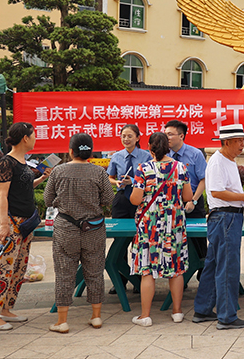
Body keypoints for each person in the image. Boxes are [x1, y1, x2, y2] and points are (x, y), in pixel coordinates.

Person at [44, 133, 114, 333]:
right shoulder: (99, 173)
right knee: (95, 272)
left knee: (64, 273)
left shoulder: (58, 171)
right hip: (94, 229)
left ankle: (62, 321)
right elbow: (109, 199)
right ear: (91, 152)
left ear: (70, 151)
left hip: (65, 228)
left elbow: (47, 199)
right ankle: (96, 316)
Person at [193, 124, 244, 329]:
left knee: (214, 264)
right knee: (228, 267)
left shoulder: (227, 160)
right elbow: (216, 192)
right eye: (239, 141)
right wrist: (243, 197)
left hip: (226, 218)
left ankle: (203, 309)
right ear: (227, 142)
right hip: (225, 218)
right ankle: (227, 316)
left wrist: (243, 198)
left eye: (243, 140)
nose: (242, 145)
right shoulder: (218, 161)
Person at [0, 122, 50, 331]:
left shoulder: (23, 161)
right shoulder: (6, 163)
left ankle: (6, 308)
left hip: (25, 224)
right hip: (11, 223)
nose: (35, 139)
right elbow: (2, 195)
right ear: (25, 138)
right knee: (4, 269)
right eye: (34, 135)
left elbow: (23, 187)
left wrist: (41, 179)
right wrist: (4, 224)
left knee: (19, 269)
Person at [129, 132, 192, 327]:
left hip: (150, 226)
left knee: (148, 269)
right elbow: (187, 196)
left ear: (149, 147)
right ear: (168, 147)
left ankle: (145, 315)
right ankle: (177, 312)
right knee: (176, 269)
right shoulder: (180, 167)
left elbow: (135, 199)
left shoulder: (144, 169)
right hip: (174, 225)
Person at [106, 124, 152, 294]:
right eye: (123, 136)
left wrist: (133, 181)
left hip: (139, 199)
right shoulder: (116, 156)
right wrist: (117, 182)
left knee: (139, 239)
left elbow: (150, 179)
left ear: (138, 138)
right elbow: (110, 177)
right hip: (121, 199)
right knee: (120, 240)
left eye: (130, 136)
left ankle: (139, 279)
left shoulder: (146, 156)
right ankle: (121, 279)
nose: (126, 139)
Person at [165, 119, 208, 272]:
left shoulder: (195, 154)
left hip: (193, 202)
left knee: (198, 242)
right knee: (174, 242)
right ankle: (180, 275)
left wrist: (193, 201)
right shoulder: (164, 155)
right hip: (171, 204)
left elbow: (204, 179)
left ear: (181, 136)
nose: (167, 137)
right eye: (165, 134)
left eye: (170, 134)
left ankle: (203, 276)